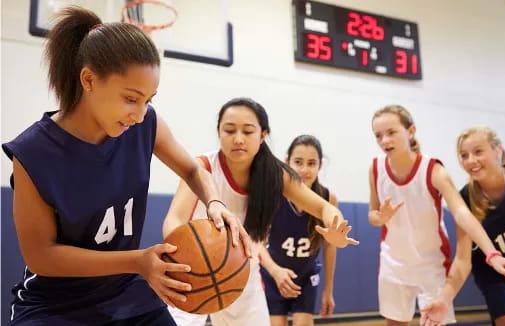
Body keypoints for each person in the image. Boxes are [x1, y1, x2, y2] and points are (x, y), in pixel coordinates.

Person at [2, 7, 249, 325]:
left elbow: (193, 170)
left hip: (125, 291)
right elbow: (42, 257)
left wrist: (214, 202)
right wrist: (138, 260)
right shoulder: (34, 153)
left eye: (149, 99)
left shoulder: (145, 124)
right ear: (89, 79)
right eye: (131, 98)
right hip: (55, 305)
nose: (141, 112)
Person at [163, 98, 359, 326]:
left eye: (247, 131)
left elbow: (324, 206)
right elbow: (174, 218)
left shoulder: (274, 173)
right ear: (218, 132)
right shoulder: (203, 166)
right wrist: (188, 254)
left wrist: (335, 226)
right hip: (193, 271)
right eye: (229, 130)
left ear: (263, 134)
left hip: (241, 272)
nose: (238, 139)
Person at [368, 105, 505, 326]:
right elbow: (373, 213)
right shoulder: (375, 168)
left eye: (391, 132)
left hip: (431, 263)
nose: (384, 140)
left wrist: (491, 253)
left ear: (411, 131)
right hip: (394, 263)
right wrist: (379, 218)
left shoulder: (432, 169)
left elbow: (461, 213)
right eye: (378, 135)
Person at [421, 126, 505, 326]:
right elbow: (463, 259)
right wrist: (444, 298)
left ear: (498, 150)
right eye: (464, 155)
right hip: (493, 272)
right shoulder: (465, 198)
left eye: (478, 152)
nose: (471, 161)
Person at [259, 135, 337, 326]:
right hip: (274, 275)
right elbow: (257, 243)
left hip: (306, 277)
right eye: (298, 162)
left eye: (311, 163)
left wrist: (328, 290)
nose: (304, 169)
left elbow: (330, 247)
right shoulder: (273, 195)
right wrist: (275, 271)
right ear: (287, 163)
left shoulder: (327, 198)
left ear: (320, 166)